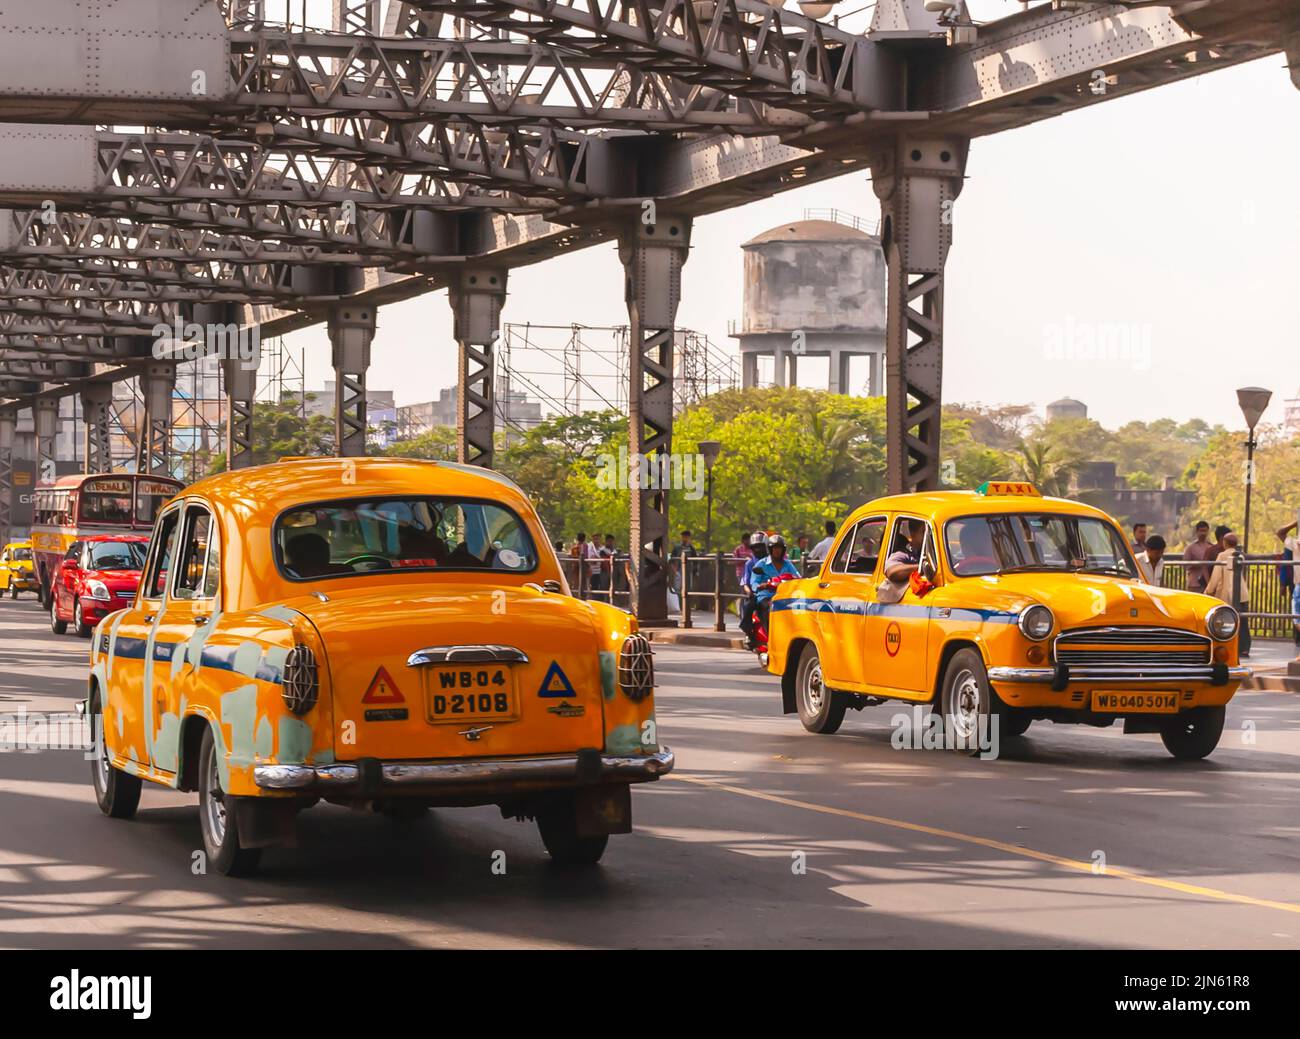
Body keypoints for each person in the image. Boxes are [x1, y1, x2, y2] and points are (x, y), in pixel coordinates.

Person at [1205, 532, 1251, 657]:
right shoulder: (1240, 555)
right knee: (1243, 621)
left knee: (1228, 620)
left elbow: (1216, 575)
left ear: (1225, 543)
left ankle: (1231, 646)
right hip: (1242, 592)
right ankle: (1245, 647)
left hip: (1228, 593)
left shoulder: (1222, 555)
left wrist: (1208, 591)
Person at [749, 534, 799, 646]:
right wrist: (761, 586)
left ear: (783, 550)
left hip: (785, 596)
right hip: (766, 596)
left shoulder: (788, 564)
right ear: (770, 549)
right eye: (775, 548)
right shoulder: (761, 564)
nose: (777, 551)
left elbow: (797, 576)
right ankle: (771, 638)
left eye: (779, 548)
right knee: (770, 608)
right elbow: (754, 583)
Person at [739, 530, 768, 648]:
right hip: (758, 593)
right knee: (748, 606)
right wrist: (750, 592)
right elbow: (745, 582)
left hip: (774, 592)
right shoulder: (750, 564)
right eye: (755, 548)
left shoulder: (774, 561)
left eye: (760, 547)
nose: (757, 550)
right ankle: (748, 632)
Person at [1275, 519, 1300, 646]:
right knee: (1297, 614)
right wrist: (1296, 522)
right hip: (1297, 583)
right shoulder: (1294, 543)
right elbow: (1280, 533)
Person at [884, 519, 927, 585]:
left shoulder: (932, 552)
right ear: (913, 534)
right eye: (924, 531)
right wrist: (922, 567)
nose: (927, 535)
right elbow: (891, 571)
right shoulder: (903, 554)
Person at [1183, 520, 1217, 593]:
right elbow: (1185, 565)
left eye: (1205, 531)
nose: (1203, 533)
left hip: (1208, 583)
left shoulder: (1211, 547)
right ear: (1197, 532)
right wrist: (1198, 564)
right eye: (1201, 531)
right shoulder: (1190, 548)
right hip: (1195, 583)